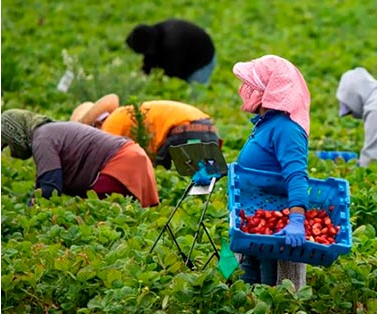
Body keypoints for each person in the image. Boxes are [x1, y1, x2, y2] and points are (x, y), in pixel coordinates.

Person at [232, 54, 311, 288]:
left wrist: (296, 219)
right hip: (252, 222)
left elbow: (296, 175)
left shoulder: (287, 129)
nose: (246, 90)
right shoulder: (266, 124)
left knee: (270, 290)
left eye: (253, 86)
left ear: (271, 90)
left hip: (274, 226)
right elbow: (260, 167)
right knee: (246, 287)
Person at [1, 109, 159, 207]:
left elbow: (50, 185)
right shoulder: (49, 131)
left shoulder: (42, 139)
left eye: (7, 143)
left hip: (121, 163)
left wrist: (28, 215)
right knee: (125, 216)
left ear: (16, 133)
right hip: (132, 157)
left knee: (97, 215)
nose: (11, 150)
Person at [70, 94, 222, 169]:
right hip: (206, 127)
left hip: (184, 132)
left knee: (162, 173)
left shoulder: (111, 123)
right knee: (206, 178)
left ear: (94, 124)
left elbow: (106, 157)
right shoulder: (124, 114)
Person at [126, 19, 216, 84]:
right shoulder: (154, 33)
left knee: (193, 100)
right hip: (185, 54)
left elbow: (173, 75)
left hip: (202, 62)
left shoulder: (171, 44)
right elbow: (149, 59)